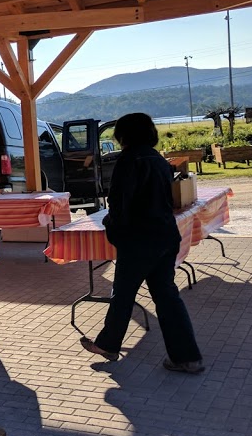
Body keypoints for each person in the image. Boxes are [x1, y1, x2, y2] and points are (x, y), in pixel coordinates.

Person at [80, 112, 205, 374]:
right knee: (167, 296)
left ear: (124, 135)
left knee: (123, 294)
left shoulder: (129, 159)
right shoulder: (158, 159)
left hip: (138, 239)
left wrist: (114, 230)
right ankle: (187, 358)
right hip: (165, 235)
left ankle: (109, 345)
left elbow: (119, 203)